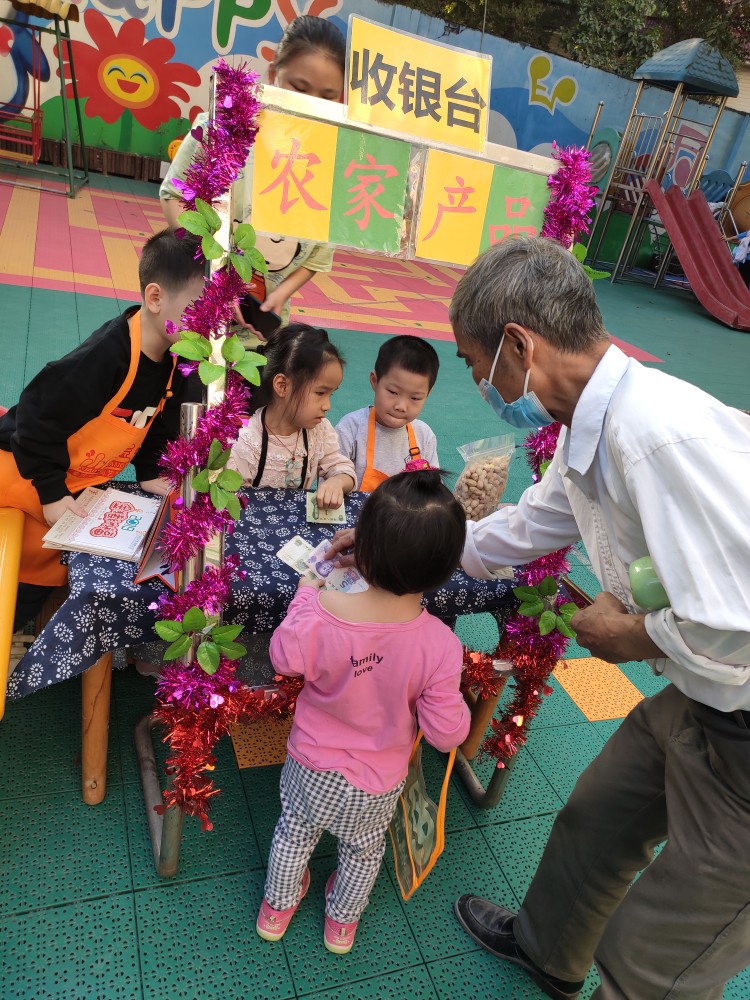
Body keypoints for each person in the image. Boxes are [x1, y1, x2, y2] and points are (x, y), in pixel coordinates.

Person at [444, 236, 750, 1000]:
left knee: (658, 958)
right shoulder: (595, 423)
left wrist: (632, 635)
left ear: (520, 345)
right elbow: (532, 523)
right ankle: (547, 952)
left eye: (476, 364)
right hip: (707, 692)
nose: (480, 383)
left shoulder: (654, 437)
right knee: (598, 819)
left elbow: (737, 619)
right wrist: (415, 545)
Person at [256, 469, 471, 953]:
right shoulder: (441, 645)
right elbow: (446, 734)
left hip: (311, 763)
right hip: (378, 780)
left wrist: (307, 591)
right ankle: (342, 923)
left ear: (362, 550)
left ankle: (276, 908)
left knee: (293, 834)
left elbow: (284, 658)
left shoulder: (323, 609)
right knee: (363, 851)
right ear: (446, 570)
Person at [0, 229, 205, 629]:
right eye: (200, 309)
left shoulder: (175, 357)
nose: (210, 324)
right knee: (13, 589)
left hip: (76, 487)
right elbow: (37, 417)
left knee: (33, 590)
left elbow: (155, 423)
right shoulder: (107, 355)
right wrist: (51, 490)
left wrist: (149, 471)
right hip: (24, 480)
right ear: (155, 297)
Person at [159, 15, 346, 330]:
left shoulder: (330, 162)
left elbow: (318, 256)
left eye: (327, 97)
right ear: (273, 74)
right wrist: (214, 271)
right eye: (299, 88)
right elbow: (173, 196)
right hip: (196, 310)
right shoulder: (224, 128)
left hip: (258, 330)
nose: (310, 105)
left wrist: (280, 295)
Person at [227, 323, 355, 509]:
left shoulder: (319, 431)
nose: (327, 406)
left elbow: (342, 468)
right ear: (282, 386)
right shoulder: (247, 440)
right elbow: (234, 500)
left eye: (331, 394)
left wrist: (337, 482)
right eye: (320, 393)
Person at [335, 335, 440, 490]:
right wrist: (335, 484)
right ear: (374, 381)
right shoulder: (351, 428)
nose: (401, 406)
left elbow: (432, 489)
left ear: (428, 394)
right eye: (393, 392)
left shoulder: (424, 436)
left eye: (415, 398)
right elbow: (332, 478)